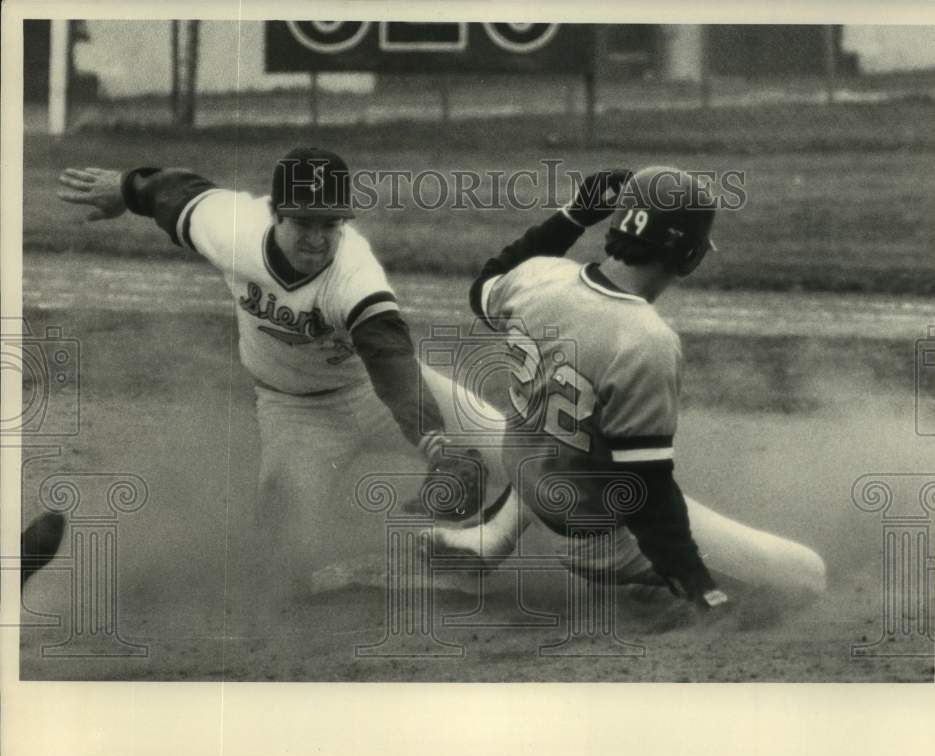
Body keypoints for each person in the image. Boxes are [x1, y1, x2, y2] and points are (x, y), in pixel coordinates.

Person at [55, 147, 507, 615]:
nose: (316, 238)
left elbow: (390, 361)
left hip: (374, 392)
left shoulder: (354, 275)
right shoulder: (235, 232)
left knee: (529, 457)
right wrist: (128, 188)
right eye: (303, 223)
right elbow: (176, 193)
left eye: (328, 225)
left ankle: (517, 543)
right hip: (296, 415)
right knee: (277, 567)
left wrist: (438, 444)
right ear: (275, 215)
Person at [432, 166, 730, 611]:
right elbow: (646, 490)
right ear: (689, 256)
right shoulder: (648, 340)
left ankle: (492, 537)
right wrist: (695, 579)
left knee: (561, 436)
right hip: (596, 539)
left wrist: (574, 215)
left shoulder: (538, 277)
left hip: (530, 480)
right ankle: (665, 594)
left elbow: (488, 282)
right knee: (801, 575)